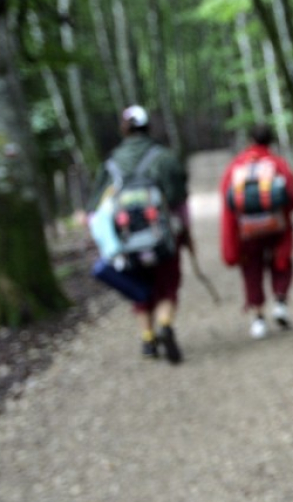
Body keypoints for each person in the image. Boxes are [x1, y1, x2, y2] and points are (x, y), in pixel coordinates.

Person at [87, 105, 190, 363]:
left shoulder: (110, 164)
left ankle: (147, 337)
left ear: (124, 129)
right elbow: (179, 199)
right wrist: (185, 233)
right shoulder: (164, 158)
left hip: (127, 241)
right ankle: (165, 323)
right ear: (148, 127)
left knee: (141, 287)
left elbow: (95, 209)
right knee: (167, 285)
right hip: (163, 237)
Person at [219, 124, 293, 339]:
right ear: (270, 141)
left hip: (247, 232)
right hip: (277, 228)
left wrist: (231, 244)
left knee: (251, 270)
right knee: (282, 262)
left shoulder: (236, 166)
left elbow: (228, 203)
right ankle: (280, 303)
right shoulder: (277, 164)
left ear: (250, 140)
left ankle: (258, 319)